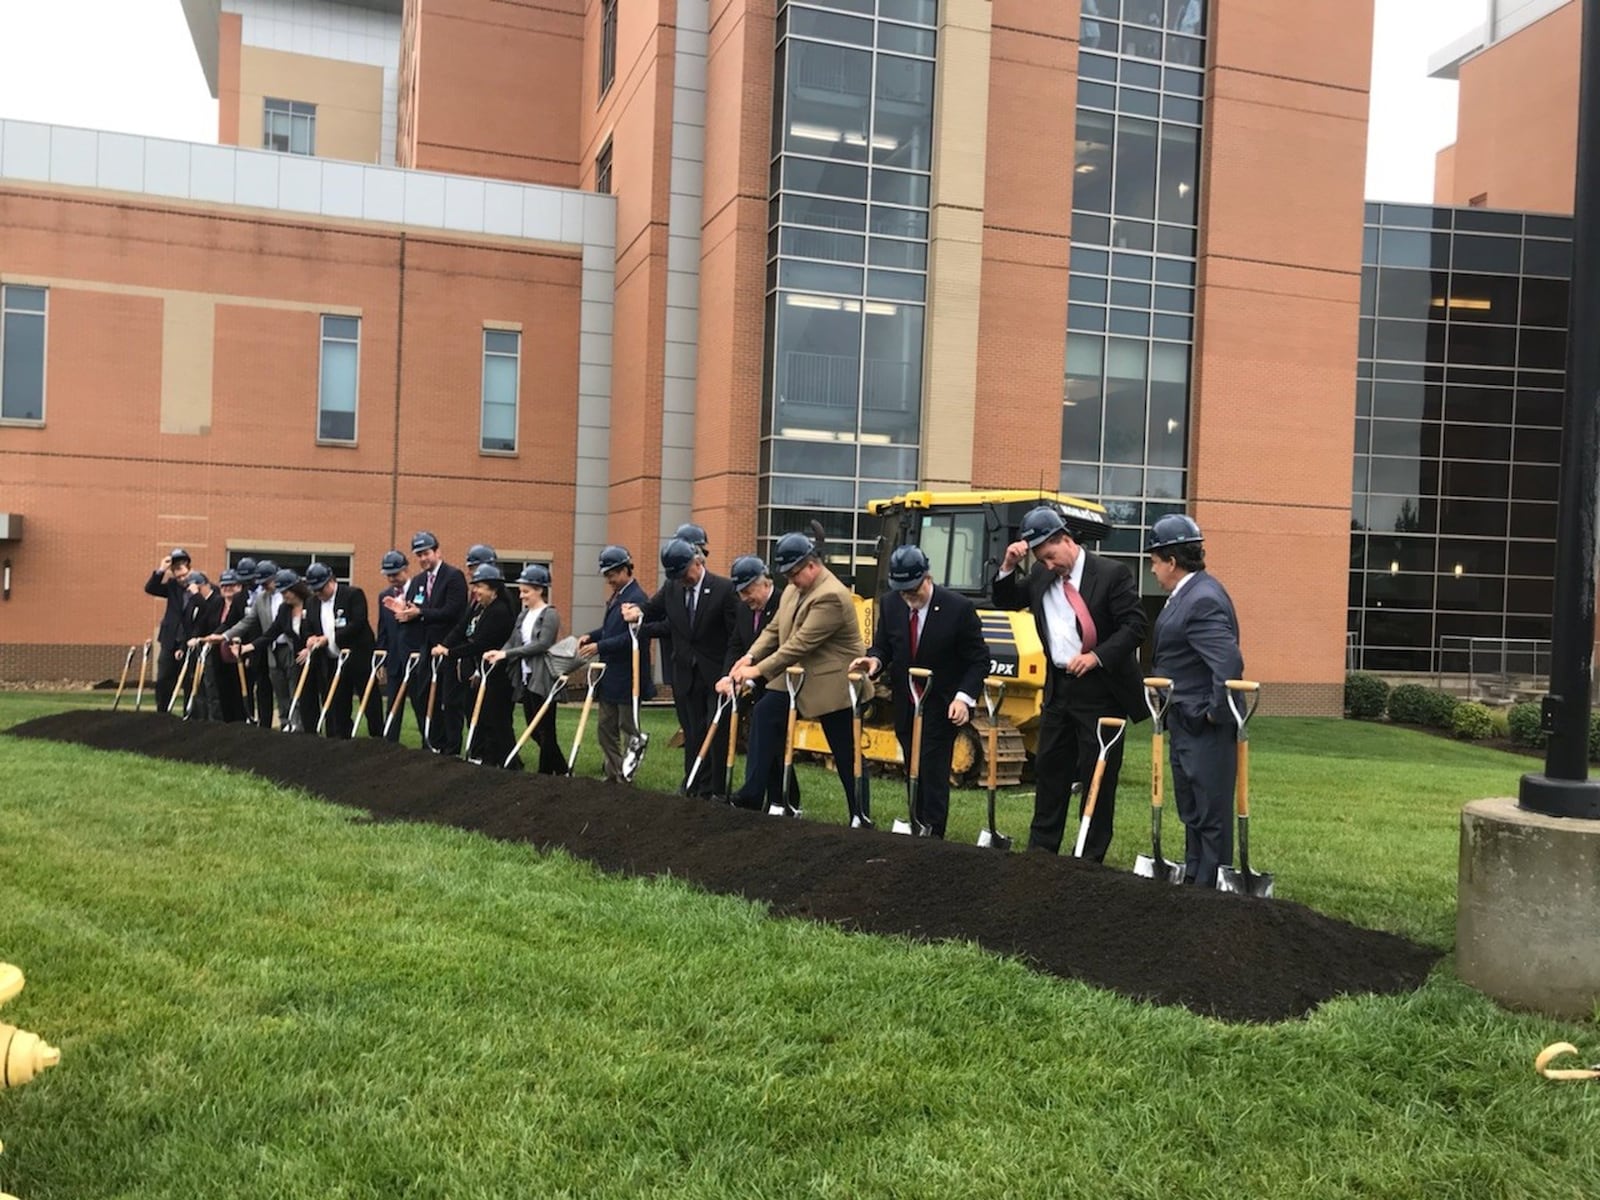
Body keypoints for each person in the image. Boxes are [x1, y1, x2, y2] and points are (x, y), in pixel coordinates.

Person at [991, 504, 1148, 860]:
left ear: (1065, 540)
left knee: (1098, 776)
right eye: (1041, 560)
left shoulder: (1111, 574)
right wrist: (1008, 567)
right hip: (1059, 689)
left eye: (1050, 556)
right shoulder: (1043, 577)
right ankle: (1042, 850)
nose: (1048, 565)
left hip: (1102, 691)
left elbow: (1135, 626)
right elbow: (1006, 600)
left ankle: (1089, 856)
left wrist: (1096, 656)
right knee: (1050, 769)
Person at [724, 531, 867, 823]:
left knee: (845, 752)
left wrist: (757, 670)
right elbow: (774, 630)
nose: (789, 580)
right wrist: (750, 656)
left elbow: (799, 644)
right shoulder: (793, 590)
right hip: (797, 677)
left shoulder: (832, 596)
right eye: (786, 575)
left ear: (811, 566)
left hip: (834, 683)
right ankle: (753, 794)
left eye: (793, 573)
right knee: (764, 714)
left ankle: (859, 813)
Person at [851, 545, 988, 838]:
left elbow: (979, 660)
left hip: (942, 703)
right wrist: (874, 660)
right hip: (905, 701)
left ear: (928, 578)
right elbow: (885, 646)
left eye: (913, 592)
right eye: (903, 593)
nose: (909, 600)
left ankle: (933, 833)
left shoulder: (958, 609)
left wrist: (964, 697)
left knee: (933, 769)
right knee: (913, 764)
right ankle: (916, 821)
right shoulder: (890, 605)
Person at [1147, 514, 1244, 887]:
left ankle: (1210, 888)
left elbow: (1228, 663)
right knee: (1192, 808)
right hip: (1185, 721)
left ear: (1172, 561)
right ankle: (1194, 877)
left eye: (1155, 562)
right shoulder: (1188, 595)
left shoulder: (1202, 600)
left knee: (1209, 811)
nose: (1152, 570)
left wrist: (1212, 715)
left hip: (1203, 727)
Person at [624, 538, 739, 796]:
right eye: (676, 576)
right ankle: (692, 784)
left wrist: (730, 673)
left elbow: (735, 637)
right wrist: (636, 612)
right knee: (692, 732)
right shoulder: (672, 588)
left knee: (715, 731)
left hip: (717, 675)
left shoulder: (723, 589)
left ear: (697, 562)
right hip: (686, 674)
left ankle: (715, 789)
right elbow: (651, 609)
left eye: (685, 573)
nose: (682, 580)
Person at [577, 545, 655, 782]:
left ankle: (627, 770)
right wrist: (592, 635)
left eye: (612, 574)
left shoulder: (637, 599)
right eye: (606, 575)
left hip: (628, 675)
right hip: (610, 675)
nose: (609, 580)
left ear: (625, 570)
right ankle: (615, 774)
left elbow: (632, 637)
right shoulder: (617, 597)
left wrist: (600, 647)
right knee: (605, 728)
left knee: (628, 726)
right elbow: (611, 630)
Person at [385, 532, 468, 753]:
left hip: (450, 647)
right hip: (426, 648)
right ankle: (433, 743)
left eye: (426, 553)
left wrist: (420, 612)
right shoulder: (419, 582)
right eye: (419, 555)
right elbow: (414, 612)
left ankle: (452, 748)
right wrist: (403, 612)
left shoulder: (453, 577)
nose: (423, 558)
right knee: (421, 697)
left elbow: (453, 611)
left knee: (449, 701)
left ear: (437, 552)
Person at [486, 564, 568, 774]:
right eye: (521, 591)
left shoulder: (549, 614)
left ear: (540, 590)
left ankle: (546, 773)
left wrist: (508, 655)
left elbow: (542, 644)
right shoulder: (523, 616)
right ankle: (561, 770)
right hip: (526, 677)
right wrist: (498, 653)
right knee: (533, 728)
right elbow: (514, 641)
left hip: (543, 678)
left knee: (545, 729)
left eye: (526, 591)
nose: (521, 596)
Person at [435, 562, 519, 766]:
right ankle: (489, 759)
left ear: (494, 589)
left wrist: (450, 653)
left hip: (498, 673)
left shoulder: (499, 611)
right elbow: (461, 629)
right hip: (482, 671)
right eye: (475, 586)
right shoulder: (478, 608)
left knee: (497, 720)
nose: (475, 590)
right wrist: (443, 645)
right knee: (481, 716)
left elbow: (481, 643)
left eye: (480, 586)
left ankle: (509, 762)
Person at [303, 562, 376, 739]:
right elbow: (308, 626)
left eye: (321, 589)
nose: (318, 593)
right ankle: (340, 738)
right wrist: (311, 637)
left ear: (331, 581)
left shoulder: (353, 595)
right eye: (315, 590)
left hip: (358, 657)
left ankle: (378, 737)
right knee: (338, 703)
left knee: (370, 701)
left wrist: (331, 637)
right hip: (332, 660)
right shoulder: (312, 602)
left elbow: (358, 623)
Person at [244, 571, 315, 732]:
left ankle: (300, 727)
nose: (284, 596)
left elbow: (317, 630)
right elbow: (272, 633)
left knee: (298, 693)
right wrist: (249, 647)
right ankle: (287, 725)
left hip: (309, 657)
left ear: (296, 590)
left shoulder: (312, 604)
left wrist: (310, 648)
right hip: (293, 655)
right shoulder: (284, 609)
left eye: (286, 592)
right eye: (281, 593)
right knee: (282, 693)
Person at [213, 560, 280, 726]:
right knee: (255, 687)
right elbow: (234, 622)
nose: (247, 584)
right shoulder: (240, 598)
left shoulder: (271, 594)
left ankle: (275, 722)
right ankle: (254, 721)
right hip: (247, 649)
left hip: (271, 645)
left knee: (276, 686)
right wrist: (219, 636)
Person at [374, 550, 420, 741]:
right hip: (394, 660)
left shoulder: (419, 591)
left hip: (415, 659)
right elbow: (383, 628)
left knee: (420, 703)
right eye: (388, 575)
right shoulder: (384, 596)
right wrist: (380, 659)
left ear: (406, 569)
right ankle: (390, 744)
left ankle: (429, 745)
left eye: (395, 574)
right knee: (393, 705)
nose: (392, 579)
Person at [143, 547, 193, 714]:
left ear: (189, 567)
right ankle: (162, 713)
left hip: (189, 641)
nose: (181, 577)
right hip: (169, 639)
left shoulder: (198, 585)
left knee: (189, 681)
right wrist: (161, 570)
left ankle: (189, 714)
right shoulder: (172, 586)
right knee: (164, 679)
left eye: (183, 571)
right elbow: (150, 588)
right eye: (176, 572)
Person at [181, 571, 223, 718]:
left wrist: (197, 595)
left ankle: (213, 719)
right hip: (197, 648)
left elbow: (208, 612)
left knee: (210, 687)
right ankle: (199, 718)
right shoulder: (195, 602)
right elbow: (192, 625)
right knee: (197, 686)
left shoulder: (216, 600)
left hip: (211, 648)